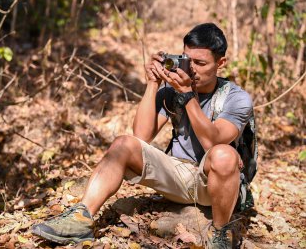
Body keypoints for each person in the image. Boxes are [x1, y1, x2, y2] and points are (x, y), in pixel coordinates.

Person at [32, 23, 253, 248]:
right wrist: (152, 84)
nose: (192, 69)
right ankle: (80, 218)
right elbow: (141, 136)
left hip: (213, 184)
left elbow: (212, 141)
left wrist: (188, 95)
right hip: (177, 176)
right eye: (187, 60)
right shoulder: (173, 90)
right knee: (123, 144)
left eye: (200, 63)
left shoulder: (236, 98)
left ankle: (220, 233)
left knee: (224, 154)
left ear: (221, 63)